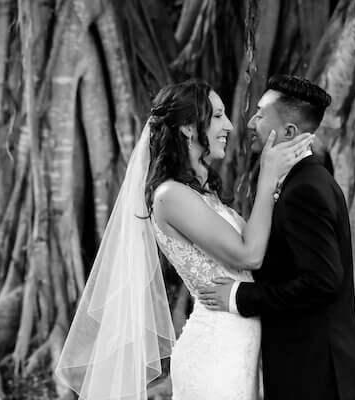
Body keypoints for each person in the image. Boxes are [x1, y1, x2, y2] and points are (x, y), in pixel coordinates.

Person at [55, 79, 313, 399]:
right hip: (215, 355)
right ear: (189, 128)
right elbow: (249, 256)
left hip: (240, 350)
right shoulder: (170, 196)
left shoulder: (204, 195)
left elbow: (263, 246)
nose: (230, 125)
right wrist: (267, 177)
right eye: (218, 116)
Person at [199, 75, 355, 400]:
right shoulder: (307, 181)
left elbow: (322, 281)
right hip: (310, 368)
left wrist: (241, 297)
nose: (250, 122)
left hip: (314, 374)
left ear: (289, 132)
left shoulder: (305, 190)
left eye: (261, 114)